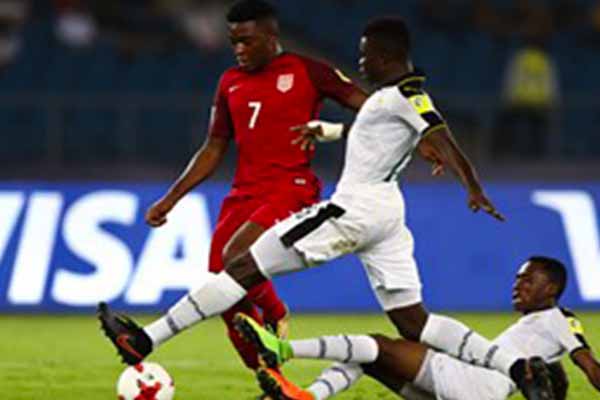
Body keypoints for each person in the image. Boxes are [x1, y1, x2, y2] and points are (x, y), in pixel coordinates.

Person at [98, 16, 554, 399]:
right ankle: (518, 368)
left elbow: (440, 133)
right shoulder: (391, 97)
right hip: (387, 217)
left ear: (384, 56)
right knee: (415, 323)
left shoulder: (405, 95)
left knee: (240, 267)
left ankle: (145, 339)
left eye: (364, 55)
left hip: (352, 210)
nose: (360, 63)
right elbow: (378, 132)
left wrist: (472, 186)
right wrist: (328, 131)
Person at [142, 0, 366, 372]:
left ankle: (275, 312)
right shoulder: (229, 82)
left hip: (291, 186)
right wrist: (171, 199)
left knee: (236, 258)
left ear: (270, 35)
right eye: (234, 42)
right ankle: (266, 372)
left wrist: (341, 131)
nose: (239, 49)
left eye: (247, 41)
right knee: (221, 287)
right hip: (243, 193)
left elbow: (375, 110)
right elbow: (214, 147)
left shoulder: (308, 71)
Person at [236, 256, 600, 400]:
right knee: (369, 360)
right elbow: (555, 375)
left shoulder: (559, 319)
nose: (517, 286)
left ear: (551, 289)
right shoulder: (540, 326)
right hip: (474, 388)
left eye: (528, 281)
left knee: (378, 345)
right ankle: (306, 397)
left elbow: (589, 366)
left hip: (475, 384)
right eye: (517, 279)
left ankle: (284, 349)